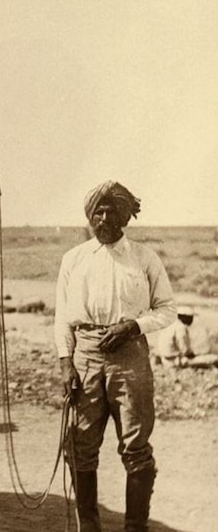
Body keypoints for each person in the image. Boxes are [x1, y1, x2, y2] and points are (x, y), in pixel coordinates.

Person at [54, 180, 176, 532]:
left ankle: (136, 527)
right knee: (79, 445)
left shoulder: (144, 258)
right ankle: (89, 527)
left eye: (112, 211)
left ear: (125, 215)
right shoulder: (74, 259)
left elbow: (167, 309)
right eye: (98, 211)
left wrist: (132, 326)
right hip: (85, 354)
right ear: (90, 216)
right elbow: (63, 316)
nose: (104, 218)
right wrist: (66, 362)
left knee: (136, 447)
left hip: (131, 357)